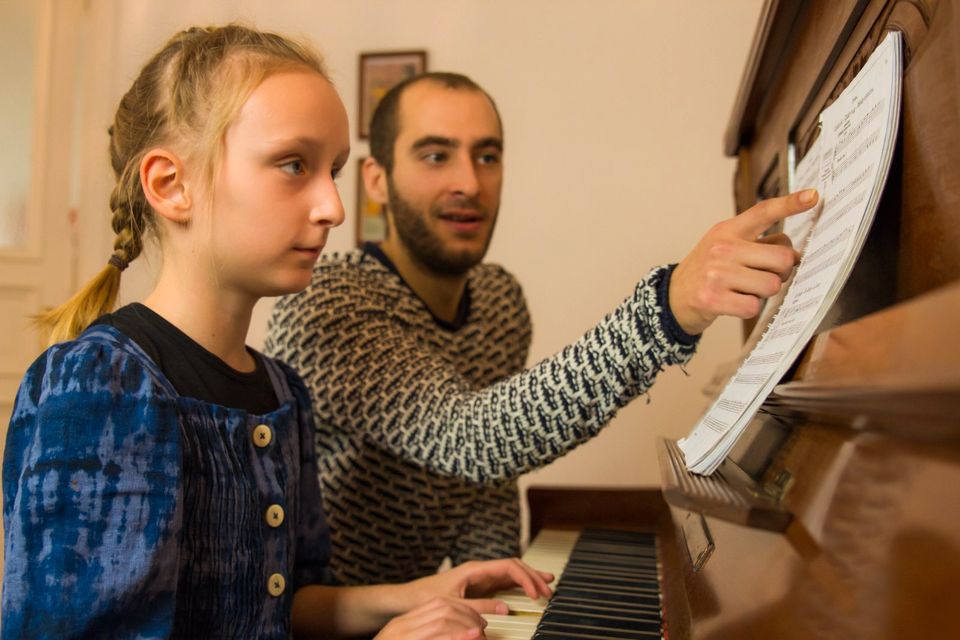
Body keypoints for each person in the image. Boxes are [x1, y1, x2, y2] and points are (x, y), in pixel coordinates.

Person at [1, 27, 554, 640]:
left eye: (333, 171)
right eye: (293, 165)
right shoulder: (102, 386)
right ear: (169, 185)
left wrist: (415, 595)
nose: (333, 209)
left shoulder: (281, 389)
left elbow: (281, 606)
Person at [265, 71, 815, 585]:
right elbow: (473, 439)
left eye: (487, 156)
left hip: (424, 615)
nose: (469, 182)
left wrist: (500, 611)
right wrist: (668, 308)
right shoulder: (327, 299)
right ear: (377, 180)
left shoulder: (499, 300)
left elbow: (485, 491)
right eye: (435, 155)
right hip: (327, 620)